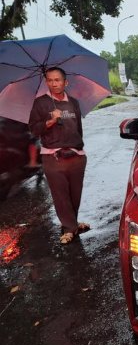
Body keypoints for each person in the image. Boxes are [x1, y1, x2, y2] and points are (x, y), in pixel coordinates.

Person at [28, 67, 90, 244]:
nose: (54, 83)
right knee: (60, 195)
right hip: (53, 157)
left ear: (65, 82)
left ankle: (72, 223)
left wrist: (80, 148)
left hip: (76, 155)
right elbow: (33, 129)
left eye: (57, 80)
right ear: (46, 82)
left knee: (74, 194)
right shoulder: (40, 103)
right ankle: (69, 228)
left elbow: (78, 129)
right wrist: (51, 121)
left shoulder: (74, 103)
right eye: (50, 80)